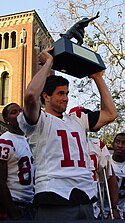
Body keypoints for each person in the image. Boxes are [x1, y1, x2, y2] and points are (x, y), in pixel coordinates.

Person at [17, 46, 117, 220]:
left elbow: (110, 114)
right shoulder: (39, 121)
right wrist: (48, 63)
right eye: (60, 93)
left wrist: (97, 78)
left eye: (67, 93)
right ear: (46, 96)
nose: (66, 98)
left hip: (86, 196)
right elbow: (31, 95)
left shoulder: (77, 119)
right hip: (54, 195)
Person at [69, 106, 120, 219]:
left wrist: (114, 208)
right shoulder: (60, 142)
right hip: (66, 204)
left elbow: (110, 177)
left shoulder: (97, 145)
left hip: (91, 208)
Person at [0, 103, 34, 220]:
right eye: (14, 112)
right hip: (15, 205)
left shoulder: (27, 140)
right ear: (6, 120)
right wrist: (13, 213)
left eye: (20, 111)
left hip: (30, 205)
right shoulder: (5, 142)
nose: (19, 114)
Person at [111, 133, 125, 219]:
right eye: (117, 142)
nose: (120, 145)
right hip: (101, 208)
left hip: (122, 209)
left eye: (124, 143)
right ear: (113, 144)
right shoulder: (105, 161)